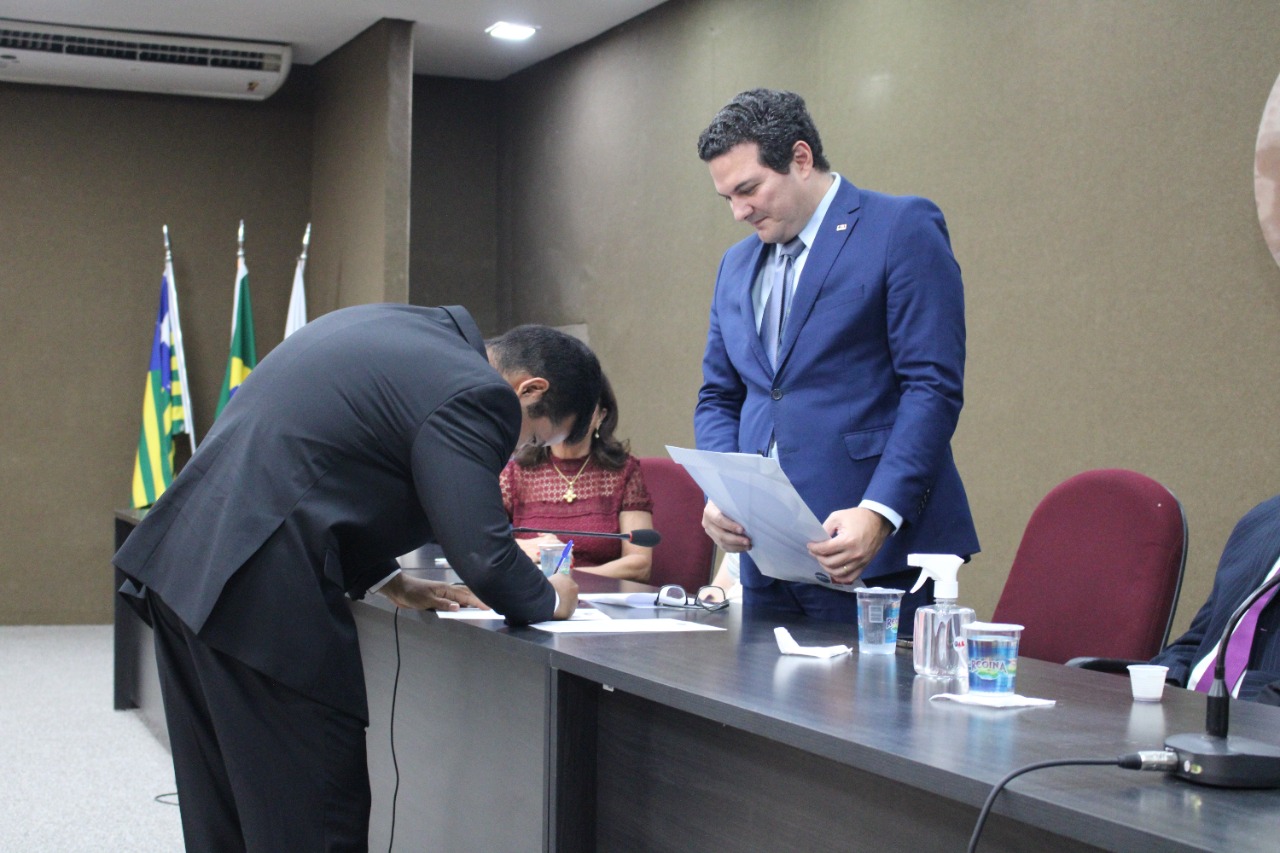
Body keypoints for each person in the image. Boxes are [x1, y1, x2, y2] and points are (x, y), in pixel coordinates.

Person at [113, 303, 602, 852]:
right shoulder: (477, 392)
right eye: (534, 439)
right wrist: (550, 597)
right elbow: (483, 555)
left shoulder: (396, 330)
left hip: (186, 566)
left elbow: (326, 461)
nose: (518, 452)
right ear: (529, 389)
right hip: (258, 597)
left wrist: (389, 579)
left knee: (225, 820)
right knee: (315, 819)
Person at [694, 88, 980, 629]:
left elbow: (932, 387)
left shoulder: (900, 227)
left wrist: (879, 511)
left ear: (801, 159)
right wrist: (723, 493)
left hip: (874, 554)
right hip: (765, 560)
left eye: (749, 189)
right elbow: (719, 396)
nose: (738, 212)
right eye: (727, 197)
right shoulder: (735, 265)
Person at [501, 375, 654, 580]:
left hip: (600, 594)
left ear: (601, 416)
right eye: (563, 409)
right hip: (534, 591)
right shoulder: (517, 472)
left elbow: (639, 564)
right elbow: (477, 541)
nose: (571, 420)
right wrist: (523, 547)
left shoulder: (623, 471)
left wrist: (568, 576)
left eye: (582, 410)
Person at [1151, 493, 1280, 704]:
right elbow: (1201, 638)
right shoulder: (1264, 518)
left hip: (1252, 713)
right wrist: (1165, 679)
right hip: (1188, 707)